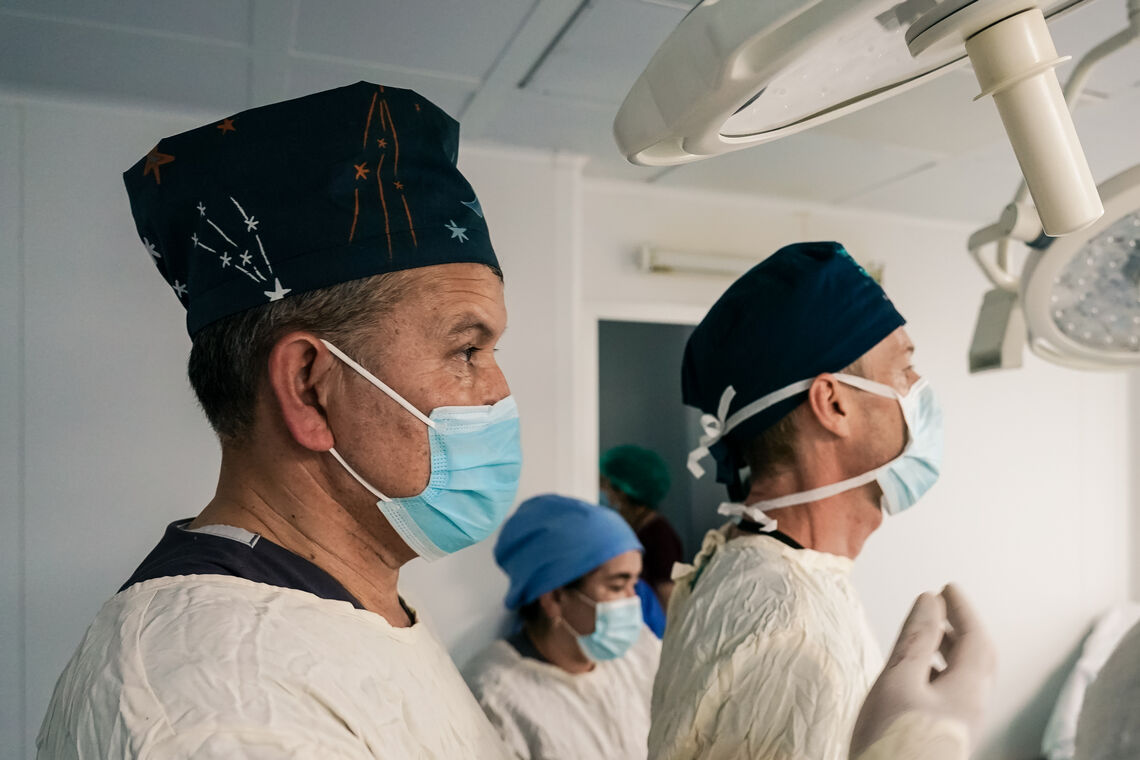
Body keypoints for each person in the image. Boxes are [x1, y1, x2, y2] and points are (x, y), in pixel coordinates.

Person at [37, 82, 520, 758]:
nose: (499, 391)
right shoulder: (219, 695)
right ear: (308, 389)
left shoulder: (341, 611)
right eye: (467, 351)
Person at [649, 241, 943, 760]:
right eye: (903, 370)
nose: (919, 387)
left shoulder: (773, 572)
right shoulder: (791, 628)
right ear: (833, 404)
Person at [465, 493, 661, 760]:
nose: (633, 599)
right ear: (554, 598)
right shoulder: (493, 695)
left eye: (634, 584)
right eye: (617, 586)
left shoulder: (639, 653)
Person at [599, 444, 684, 611]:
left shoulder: (659, 535)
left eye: (604, 484)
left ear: (623, 490)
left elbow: (668, 599)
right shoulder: (632, 529)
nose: (602, 491)